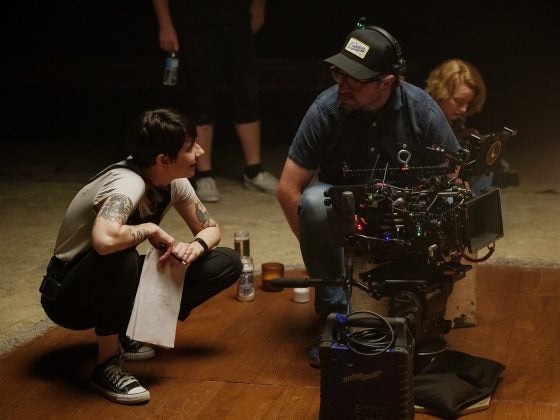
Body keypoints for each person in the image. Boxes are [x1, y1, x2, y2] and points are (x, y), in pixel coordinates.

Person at [276, 22, 461, 366]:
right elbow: (287, 190)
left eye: (355, 79)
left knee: (450, 200)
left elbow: (452, 178)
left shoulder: (422, 110)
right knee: (314, 202)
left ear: (386, 82)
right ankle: (334, 317)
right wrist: (317, 245)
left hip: (403, 210)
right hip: (342, 206)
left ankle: (421, 306)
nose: (342, 85)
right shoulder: (326, 109)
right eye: (339, 73)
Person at [39, 108, 242, 404]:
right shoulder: (127, 184)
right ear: (163, 160)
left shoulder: (174, 181)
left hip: (109, 281)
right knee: (117, 253)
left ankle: (126, 331)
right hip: (67, 297)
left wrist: (194, 248)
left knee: (226, 262)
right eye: (190, 147)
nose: (200, 152)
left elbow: (211, 229)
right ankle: (106, 364)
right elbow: (104, 240)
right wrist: (149, 229)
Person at [151, 0, 279, 203]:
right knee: (202, 99)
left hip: (238, 21)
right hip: (196, 24)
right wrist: (165, 25)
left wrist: (259, 5)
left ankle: (254, 171)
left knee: (247, 96)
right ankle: (204, 175)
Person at [425, 59, 492, 194]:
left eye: (468, 103)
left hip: (448, 171)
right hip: (425, 179)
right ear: (441, 92)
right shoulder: (422, 112)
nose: (464, 109)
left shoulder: (455, 115)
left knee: (484, 161)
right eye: (459, 101)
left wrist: (462, 135)